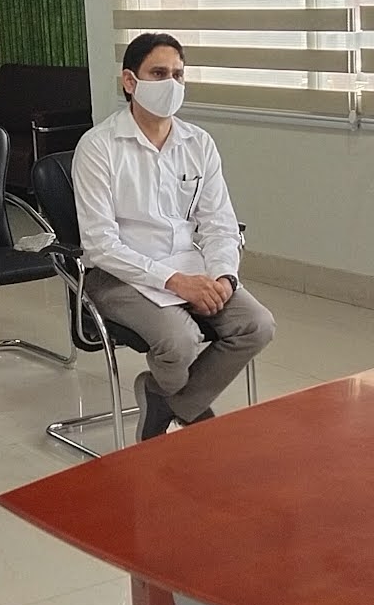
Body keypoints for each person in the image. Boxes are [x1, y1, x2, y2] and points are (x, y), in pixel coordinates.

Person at [70, 33, 275, 440]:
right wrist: (175, 282)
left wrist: (223, 278)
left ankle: (167, 399)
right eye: (159, 73)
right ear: (130, 81)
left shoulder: (198, 143)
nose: (171, 84)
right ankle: (184, 403)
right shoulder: (98, 147)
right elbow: (100, 244)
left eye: (178, 75)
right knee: (179, 340)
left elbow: (220, 223)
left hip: (188, 265)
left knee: (257, 324)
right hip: (118, 275)